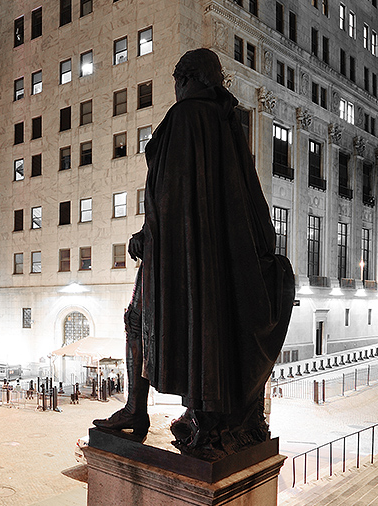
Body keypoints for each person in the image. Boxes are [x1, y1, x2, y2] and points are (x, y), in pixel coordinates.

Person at [93, 48, 295, 460]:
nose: (175, 87)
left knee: (136, 320)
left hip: (179, 253)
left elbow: (169, 195)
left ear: (189, 79)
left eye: (177, 79)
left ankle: (136, 410)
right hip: (216, 254)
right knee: (194, 330)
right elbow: (240, 198)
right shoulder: (226, 122)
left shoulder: (185, 118)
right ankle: (194, 412)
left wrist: (148, 234)